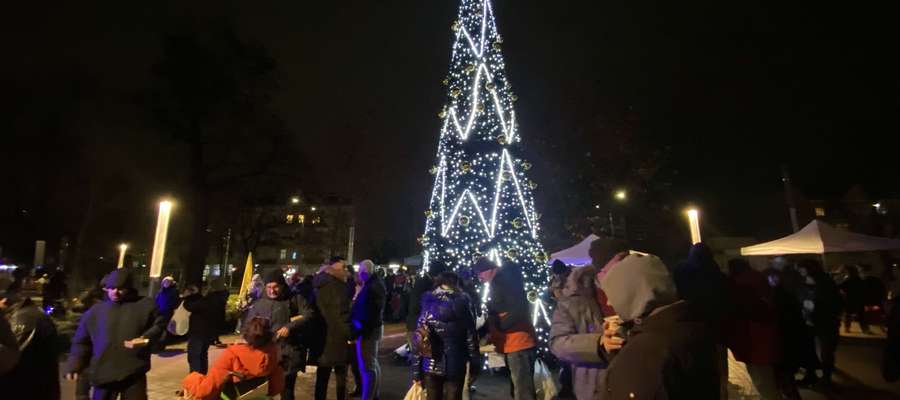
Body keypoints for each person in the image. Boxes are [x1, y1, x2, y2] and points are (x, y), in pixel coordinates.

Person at [599, 253, 720, 399]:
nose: (609, 303)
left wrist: (627, 357)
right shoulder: (688, 324)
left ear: (632, 293)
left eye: (613, 295)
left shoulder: (646, 352)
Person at [64, 269, 167, 400]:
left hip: (133, 372)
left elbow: (160, 326)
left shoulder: (145, 306)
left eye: (120, 289)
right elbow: (82, 341)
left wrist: (146, 338)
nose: (115, 292)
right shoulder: (96, 311)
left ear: (129, 288)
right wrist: (75, 364)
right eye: (111, 288)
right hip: (103, 373)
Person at [243, 268, 313, 400]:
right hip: (266, 353)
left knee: (286, 390)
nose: (272, 291)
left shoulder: (294, 298)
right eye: (269, 287)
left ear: (282, 285)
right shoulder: (259, 303)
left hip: (289, 351)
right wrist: (250, 336)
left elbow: (309, 315)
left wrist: (290, 326)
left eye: (275, 287)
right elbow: (247, 325)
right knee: (267, 390)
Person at [473, 257, 536, 400]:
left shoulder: (503, 282)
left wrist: (500, 326)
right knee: (519, 385)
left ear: (489, 270)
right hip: (513, 341)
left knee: (522, 387)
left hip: (517, 341)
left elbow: (518, 309)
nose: (479, 278)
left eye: (480, 274)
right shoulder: (502, 281)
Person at [411, 271, 481, 400]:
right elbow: (471, 337)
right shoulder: (464, 303)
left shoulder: (427, 304)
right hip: (456, 362)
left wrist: (416, 372)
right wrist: (475, 365)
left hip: (431, 362)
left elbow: (418, 340)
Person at [181, 317, 285, 400]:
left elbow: (206, 391)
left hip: (234, 396)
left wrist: (190, 379)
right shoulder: (273, 353)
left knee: (194, 383)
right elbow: (277, 385)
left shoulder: (233, 353)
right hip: (260, 396)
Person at [549, 263, 610, 400]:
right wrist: (597, 344)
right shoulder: (573, 299)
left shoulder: (637, 291)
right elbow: (557, 343)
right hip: (593, 388)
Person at [725, 259, 781, 400]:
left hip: (752, 336)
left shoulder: (737, 284)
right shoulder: (758, 279)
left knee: (762, 377)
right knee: (767, 375)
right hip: (765, 333)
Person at [0, 292, 62, 399]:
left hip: (28, 388)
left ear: (4, 301)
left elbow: (12, 356)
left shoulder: (22, 318)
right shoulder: (31, 313)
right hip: (39, 386)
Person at [797, 259, 843, 389]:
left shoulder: (825, 282)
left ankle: (826, 379)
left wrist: (817, 308)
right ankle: (810, 375)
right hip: (809, 321)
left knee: (826, 352)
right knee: (809, 350)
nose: (799, 271)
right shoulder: (805, 281)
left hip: (825, 322)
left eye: (801, 268)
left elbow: (835, 303)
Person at [314, 256, 353, 400]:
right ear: (333, 269)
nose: (346, 271)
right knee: (341, 378)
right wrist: (351, 334)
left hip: (322, 337)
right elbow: (341, 315)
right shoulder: (338, 287)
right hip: (337, 339)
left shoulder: (320, 284)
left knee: (322, 378)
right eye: (344, 267)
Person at [351, 260, 387, 400]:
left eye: (360, 272)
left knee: (368, 366)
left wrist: (358, 328)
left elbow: (369, 312)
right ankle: (373, 394)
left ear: (365, 273)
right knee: (372, 363)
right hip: (372, 329)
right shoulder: (375, 284)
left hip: (368, 331)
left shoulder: (372, 287)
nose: (359, 275)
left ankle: (368, 396)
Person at [182, 279, 230, 374]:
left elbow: (192, 306)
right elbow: (201, 304)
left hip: (199, 332)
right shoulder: (219, 298)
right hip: (208, 332)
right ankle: (202, 378)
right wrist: (196, 295)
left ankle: (196, 382)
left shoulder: (212, 298)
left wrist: (188, 297)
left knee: (195, 357)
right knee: (202, 355)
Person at [839, 265, 868, 333]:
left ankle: (847, 329)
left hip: (850, 299)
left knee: (848, 315)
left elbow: (841, 287)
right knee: (861, 315)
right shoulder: (859, 280)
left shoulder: (848, 280)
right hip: (858, 300)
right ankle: (865, 329)